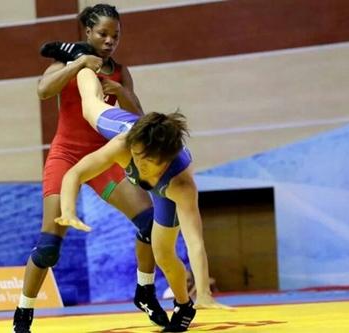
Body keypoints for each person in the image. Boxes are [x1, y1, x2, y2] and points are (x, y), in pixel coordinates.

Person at [13, 4, 168, 332]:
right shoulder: (66, 62)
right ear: (86, 32)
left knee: (149, 225)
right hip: (65, 156)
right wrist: (79, 63)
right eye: (103, 34)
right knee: (48, 247)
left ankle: (144, 290)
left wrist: (121, 92)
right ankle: (23, 313)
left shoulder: (119, 71)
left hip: (103, 160)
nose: (110, 41)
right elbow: (43, 91)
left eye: (116, 35)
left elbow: (138, 115)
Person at [53, 66, 231, 332]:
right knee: (90, 107)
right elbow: (76, 172)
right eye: (138, 159)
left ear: (165, 160)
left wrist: (204, 292)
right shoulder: (124, 144)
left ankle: (184, 305)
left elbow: (195, 243)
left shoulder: (180, 184)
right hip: (126, 127)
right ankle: (81, 59)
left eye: (148, 164)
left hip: (164, 192)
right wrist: (68, 209)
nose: (140, 167)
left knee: (163, 253)